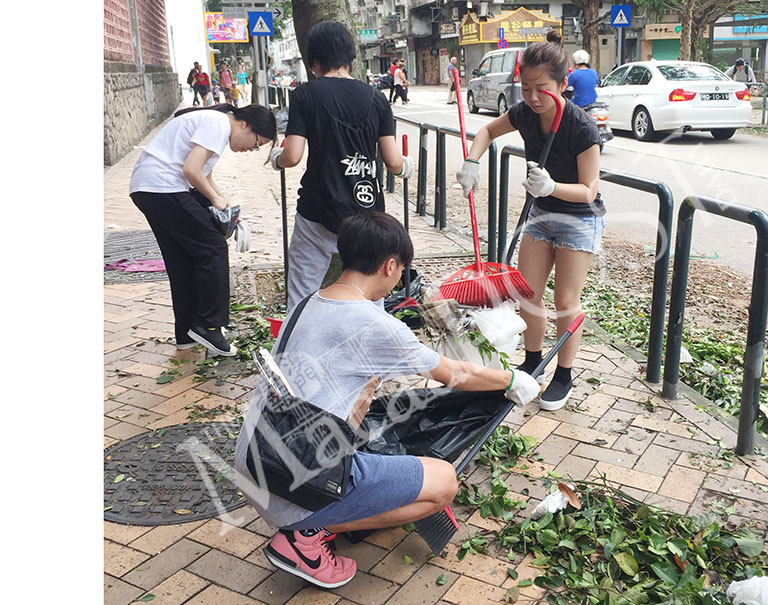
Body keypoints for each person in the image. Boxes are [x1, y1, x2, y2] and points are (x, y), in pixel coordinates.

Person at [233, 211, 540, 588]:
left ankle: (312, 518)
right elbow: (454, 374)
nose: (399, 282)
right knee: (443, 484)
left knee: (367, 410)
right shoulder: (373, 324)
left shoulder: (311, 301)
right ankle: (305, 537)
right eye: (401, 271)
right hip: (294, 482)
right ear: (390, 265)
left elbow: (359, 392)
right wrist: (512, 378)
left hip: (256, 459)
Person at [456, 38, 604, 411]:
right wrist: (472, 162)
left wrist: (553, 186)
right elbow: (488, 131)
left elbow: (589, 190)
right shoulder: (524, 113)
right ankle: (534, 360)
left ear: (563, 83)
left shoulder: (581, 127)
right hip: (541, 216)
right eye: (526, 89)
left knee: (566, 300)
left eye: (543, 90)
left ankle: (564, 373)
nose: (534, 98)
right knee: (528, 294)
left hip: (578, 219)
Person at [268, 21, 415, 310]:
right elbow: (393, 161)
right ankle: (367, 347)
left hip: (316, 212)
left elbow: (293, 155)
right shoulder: (376, 99)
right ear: (350, 58)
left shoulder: (305, 95)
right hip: (366, 212)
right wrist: (405, 167)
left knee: (301, 293)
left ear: (315, 63)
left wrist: (276, 158)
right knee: (371, 294)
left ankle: (298, 347)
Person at [129, 103, 277, 356]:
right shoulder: (217, 123)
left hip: (149, 188)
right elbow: (191, 170)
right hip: (163, 186)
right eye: (256, 143)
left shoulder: (215, 124)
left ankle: (186, 333)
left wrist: (225, 202)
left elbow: (204, 176)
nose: (251, 149)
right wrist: (215, 200)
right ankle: (209, 324)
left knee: (182, 260)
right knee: (213, 247)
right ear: (246, 125)